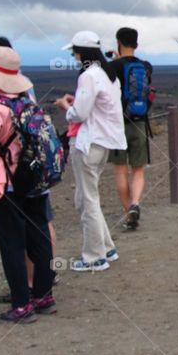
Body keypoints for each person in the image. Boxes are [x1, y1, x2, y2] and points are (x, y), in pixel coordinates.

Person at [0, 36, 57, 305]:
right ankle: (44, 296)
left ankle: (21, 303)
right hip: (34, 177)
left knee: (11, 242)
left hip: (6, 182)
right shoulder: (28, 102)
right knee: (39, 236)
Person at [55, 31, 126, 272]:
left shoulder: (88, 76)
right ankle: (106, 247)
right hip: (104, 142)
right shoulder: (108, 74)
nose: (73, 56)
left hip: (87, 143)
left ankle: (94, 257)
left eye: (74, 51)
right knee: (89, 197)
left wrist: (67, 107)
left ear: (81, 52)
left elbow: (80, 114)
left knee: (87, 199)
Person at [107, 27, 154, 230]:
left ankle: (129, 214)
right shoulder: (145, 66)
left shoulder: (111, 67)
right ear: (136, 43)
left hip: (118, 125)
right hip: (140, 122)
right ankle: (135, 203)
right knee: (138, 170)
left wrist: (114, 60)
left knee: (120, 171)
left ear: (118, 41)